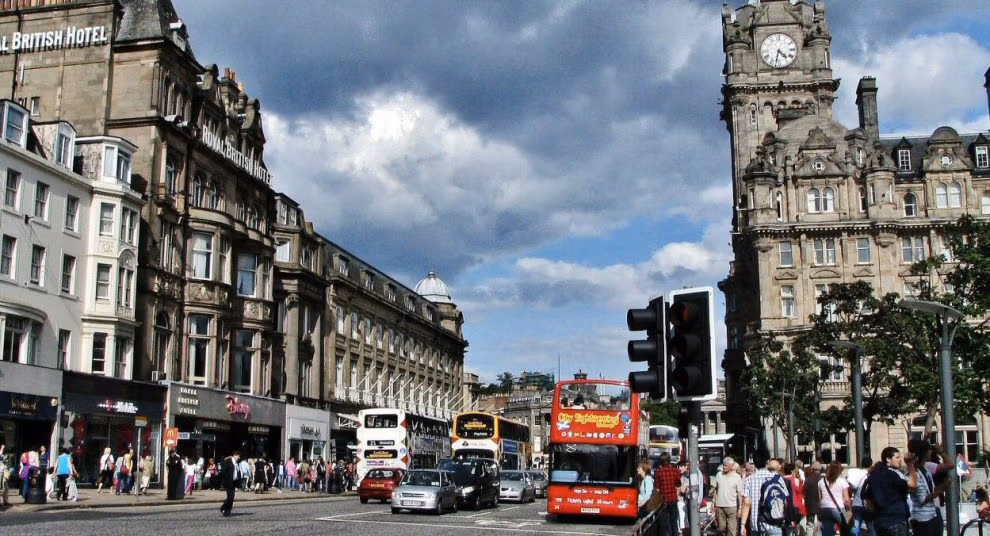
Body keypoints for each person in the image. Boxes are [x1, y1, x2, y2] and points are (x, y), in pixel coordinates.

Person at [905, 440, 947, 536]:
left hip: (931, 515)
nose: (931, 452)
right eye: (929, 450)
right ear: (923, 452)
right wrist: (940, 490)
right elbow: (922, 500)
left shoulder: (924, 469)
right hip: (922, 519)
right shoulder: (914, 473)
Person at [740, 450, 782, 536]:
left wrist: (742, 524)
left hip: (756, 523)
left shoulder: (749, 480)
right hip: (774, 522)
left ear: (754, 463)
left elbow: (746, 502)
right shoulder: (777, 478)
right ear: (768, 462)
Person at [712, 457, 743, 536]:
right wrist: (713, 502)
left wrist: (740, 507)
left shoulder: (737, 477)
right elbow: (716, 489)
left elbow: (739, 493)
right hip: (720, 505)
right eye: (724, 465)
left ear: (731, 466)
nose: (724, 467)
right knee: (721, 528)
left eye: (726, 466)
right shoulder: (719, 475)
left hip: (732, 506)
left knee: (731, 529)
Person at [818, 461, 851, 536]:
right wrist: (849, 509)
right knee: (845, 530)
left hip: (825, 509)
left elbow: (820, 499)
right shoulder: (842, 481)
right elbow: (846, 499)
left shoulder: (821, 482)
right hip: (838, 509)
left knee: (827, 533)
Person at [654, 452, 681, 536]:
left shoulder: (658, 472)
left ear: (661, 461)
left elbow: (657, 488)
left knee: (664, 523)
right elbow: (678, 484)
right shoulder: (675, 470)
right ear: (669, 460)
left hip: (663, 501)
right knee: (674, 522)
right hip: (673, 499)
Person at [846, 457, 872, 536]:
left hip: (856, 504)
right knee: (871, 527)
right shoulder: (869, 475)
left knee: (856, 527)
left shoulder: (855, 474)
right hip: (867, 505)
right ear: (870, 465)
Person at [220, 450, 241, 517]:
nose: (239, 458)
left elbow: (237, 472)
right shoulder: (228, 461)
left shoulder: (236, 463)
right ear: (235, 455)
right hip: (228, 482)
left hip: (234, 482)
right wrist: (226, 479)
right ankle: (223, 508)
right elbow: (223, 471)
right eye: (238, 456)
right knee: (230, 496)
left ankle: (228, 511)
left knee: (232, 497)